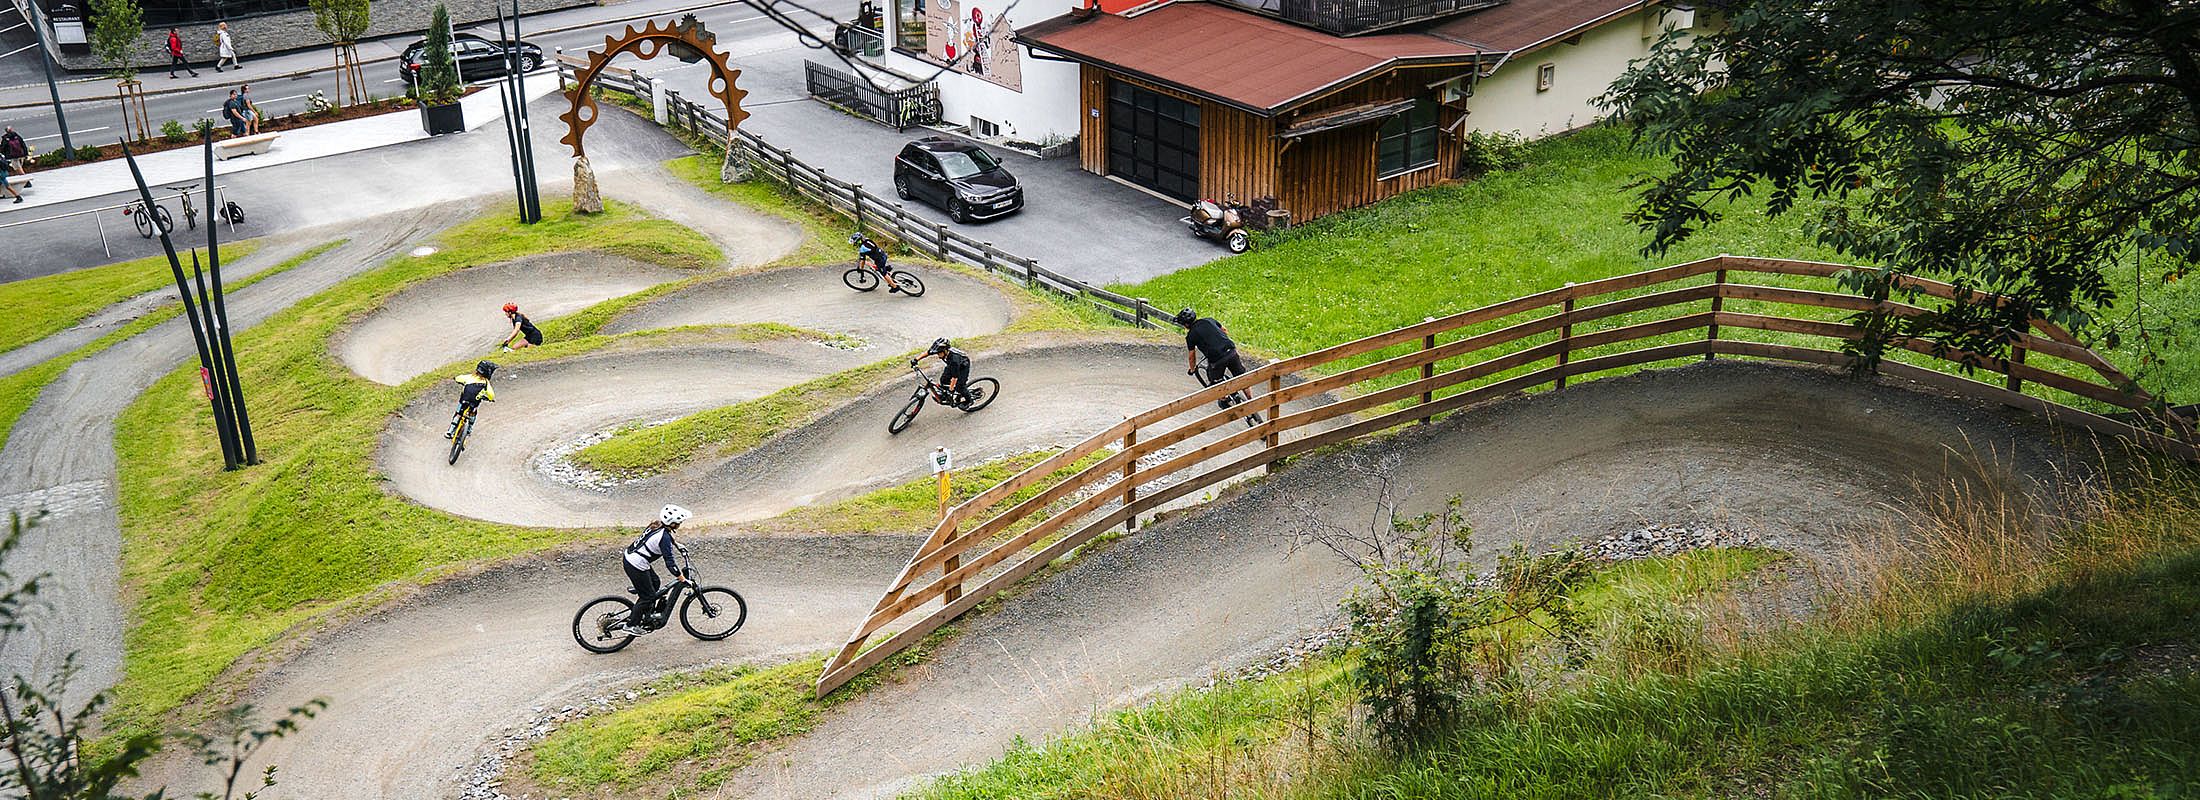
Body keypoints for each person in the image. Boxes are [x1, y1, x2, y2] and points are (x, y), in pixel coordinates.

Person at [1176, 307, 1259, 419]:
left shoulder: (1190, 336)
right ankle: (1250, 400)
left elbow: (1192, 356)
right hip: (1231, 351)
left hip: (1217, 359)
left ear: (1186, 325)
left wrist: (1192, 369)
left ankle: (1224, 399)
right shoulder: (1209, 320)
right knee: (1241, 377)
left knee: (1215, 381)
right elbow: (1224, 330)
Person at [624, 504, 691, 632]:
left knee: (655, 582)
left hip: (631, 557)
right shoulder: (664, 537)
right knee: (648, 597)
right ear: (672, 524)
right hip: (636, 565)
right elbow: (670, 563)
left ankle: (646, 609)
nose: (680, 523)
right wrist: (682, 578)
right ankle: (631, 625)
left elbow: (664, 538)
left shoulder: (657, 524)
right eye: (679, 522)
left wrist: (678, 545)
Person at [445, 360, 496, 438]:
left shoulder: (470, 377)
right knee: (473, 412)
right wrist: (490, 398)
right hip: (474, 403)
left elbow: (459, 378)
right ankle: (469, 429)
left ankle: (450, 431)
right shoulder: (486, 383)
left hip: (463, 400)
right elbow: (491, 395)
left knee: (458, 413)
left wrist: (456, 379)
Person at [912, 337, 970, 404]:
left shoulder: (954, 360)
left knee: (960, 386)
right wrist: (916, 359)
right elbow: (928, 353)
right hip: (951, 365)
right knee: (943, 380)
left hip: (963, 366)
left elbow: (955, 377)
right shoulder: (941, 350)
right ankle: (945, 395)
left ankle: (969, 400)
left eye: (939, 353)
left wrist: (951, 390)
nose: (938, 355)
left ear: (945, 351)